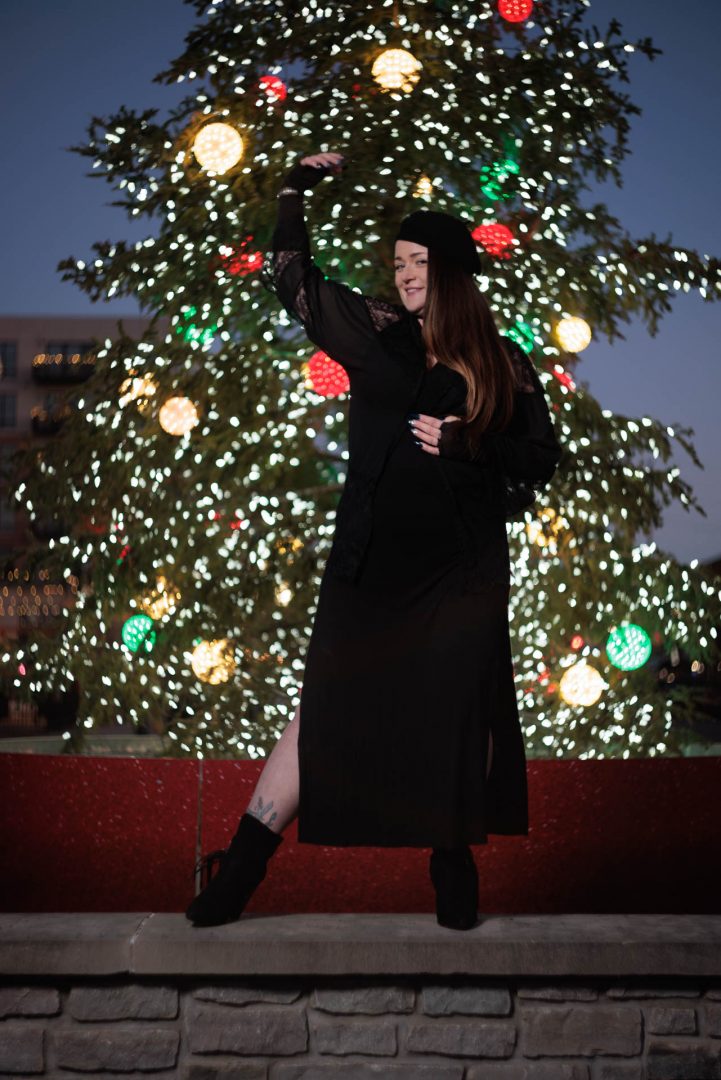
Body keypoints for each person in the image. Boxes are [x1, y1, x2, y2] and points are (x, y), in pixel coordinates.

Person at [186, 150, 563, 931]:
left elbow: (539, 461)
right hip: (369, 572)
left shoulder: (503, 364)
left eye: (418, 262)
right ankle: (242, 869)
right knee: (322, 709)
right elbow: (292, 278)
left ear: (452, 270)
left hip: (459, 576)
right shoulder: (377, 337)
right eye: (397, 263)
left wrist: (469, 444)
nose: (404, 276)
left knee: (457, 712)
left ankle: (451, 862)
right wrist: (294, 186)